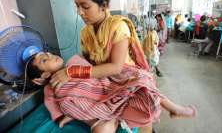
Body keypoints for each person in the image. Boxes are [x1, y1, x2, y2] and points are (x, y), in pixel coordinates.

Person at [35, 0, 196, 132]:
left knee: (144, 87)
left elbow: (116, 68)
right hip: (101, 78)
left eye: (85, 6)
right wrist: (76, 109)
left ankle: (173, 109)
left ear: (103, 5)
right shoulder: (85, 33)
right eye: (77, 6)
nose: (80, 13)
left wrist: (71, 72)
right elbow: (90, 66)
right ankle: (104, 117)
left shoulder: (118, 27)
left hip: (121, 74)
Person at [26, 52, 196, 131]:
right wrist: (63, 116)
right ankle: (113, 118)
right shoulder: (50, 89)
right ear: (45, 75)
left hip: (107, 93)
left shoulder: (74, 61)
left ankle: (173, 108)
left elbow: (98, 76)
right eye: (44, 60)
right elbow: (54, 105)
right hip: (94, 115)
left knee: (141, 82)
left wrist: (72, 73)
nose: (49, 55)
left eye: (47, 53)